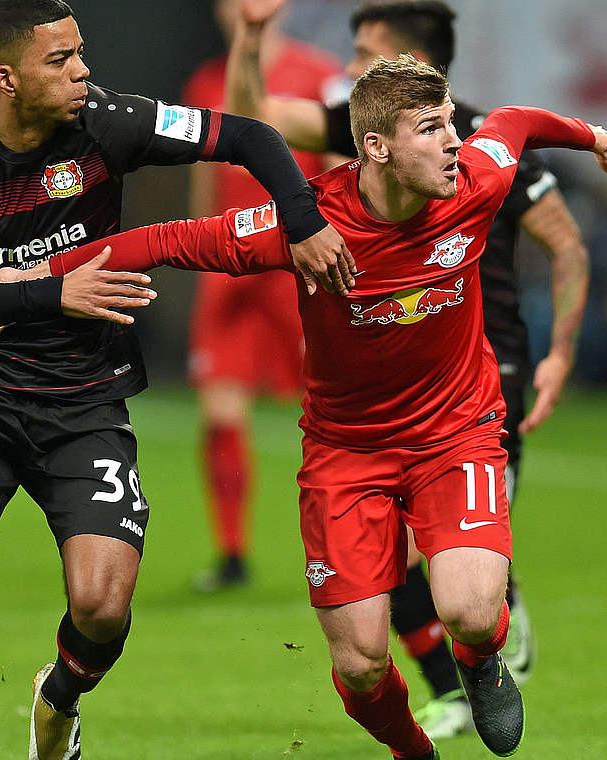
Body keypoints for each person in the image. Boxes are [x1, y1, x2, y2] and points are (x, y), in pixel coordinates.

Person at [0, 54, 607, 759]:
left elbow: (514, 123)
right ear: (376, 148)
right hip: (346, 454)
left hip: (457, 431)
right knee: (360, 664)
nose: (454, 141)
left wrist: (590, 135)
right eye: (431, 129)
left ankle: (479, 663)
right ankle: (416, 752)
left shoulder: (474, 180)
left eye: (450, 124)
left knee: (472, 612)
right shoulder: (309, 225)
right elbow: (165, 240)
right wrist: (36, 275)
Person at [0, 1, 352, 758]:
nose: (83, 70)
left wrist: (304, 217)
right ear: (7, 78)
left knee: (102, 608)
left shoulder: (110, 121)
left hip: (83, 401)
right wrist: (60, 291)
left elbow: (248, 134)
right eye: (61, 61)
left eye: (81, 53)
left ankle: (58, 700)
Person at [225, 0, 593, 736]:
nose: (349, 67)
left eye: (364, 51)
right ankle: (452, 680)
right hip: (379, 380)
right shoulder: (362, 128)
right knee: (378, 568)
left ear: (417, 62)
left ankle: (485, 647)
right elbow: (253, 118)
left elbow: (568, 246)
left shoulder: (479, 144)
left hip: (481, 372)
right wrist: (253, 37)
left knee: (447, 562)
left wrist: (559, 355)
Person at [180, 0, 344, 591]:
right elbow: (202, 170)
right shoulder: (204, 81)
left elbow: (333, 162)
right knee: (220, 412)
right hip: (228, 266)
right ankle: (232, 555)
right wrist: (196, 251)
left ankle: (346, 545)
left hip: (293, 265)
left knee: (332, 410)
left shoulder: (317, 73)